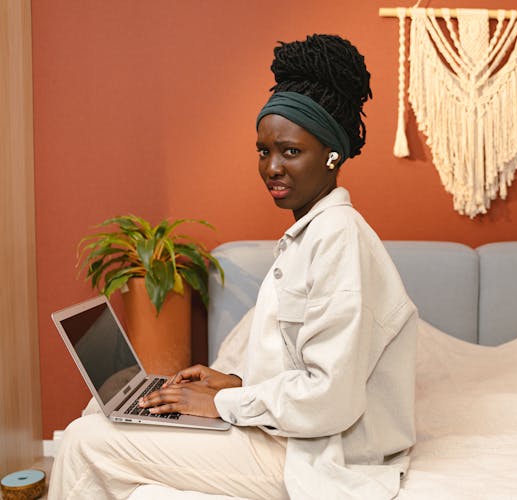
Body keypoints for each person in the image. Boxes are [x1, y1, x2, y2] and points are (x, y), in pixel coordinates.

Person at [49, 34, 418, 500]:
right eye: (263, 151)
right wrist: (236, 383)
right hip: (291, 435)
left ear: (332, 155)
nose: (272, 168)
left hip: (314, 455)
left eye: (290, 151)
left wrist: (223, 403)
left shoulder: (339, 239)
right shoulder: (313, 235)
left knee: (84, 442)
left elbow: (333, 399)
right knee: (103, 414)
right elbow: (308, 363)